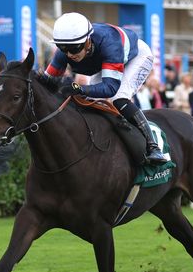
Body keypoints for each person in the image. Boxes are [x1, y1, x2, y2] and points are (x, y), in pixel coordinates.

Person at [38, 12, 167, 165]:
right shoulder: (66, 50)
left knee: (118, 98)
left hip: (136, 57)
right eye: (63, 48)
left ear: (87, 41)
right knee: (89, 101)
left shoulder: (109, 44)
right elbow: (45, 81)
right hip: (104, 61)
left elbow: (110, 88)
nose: (69, 54)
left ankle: (153, 146)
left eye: (73, 48)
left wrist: (80, 88)